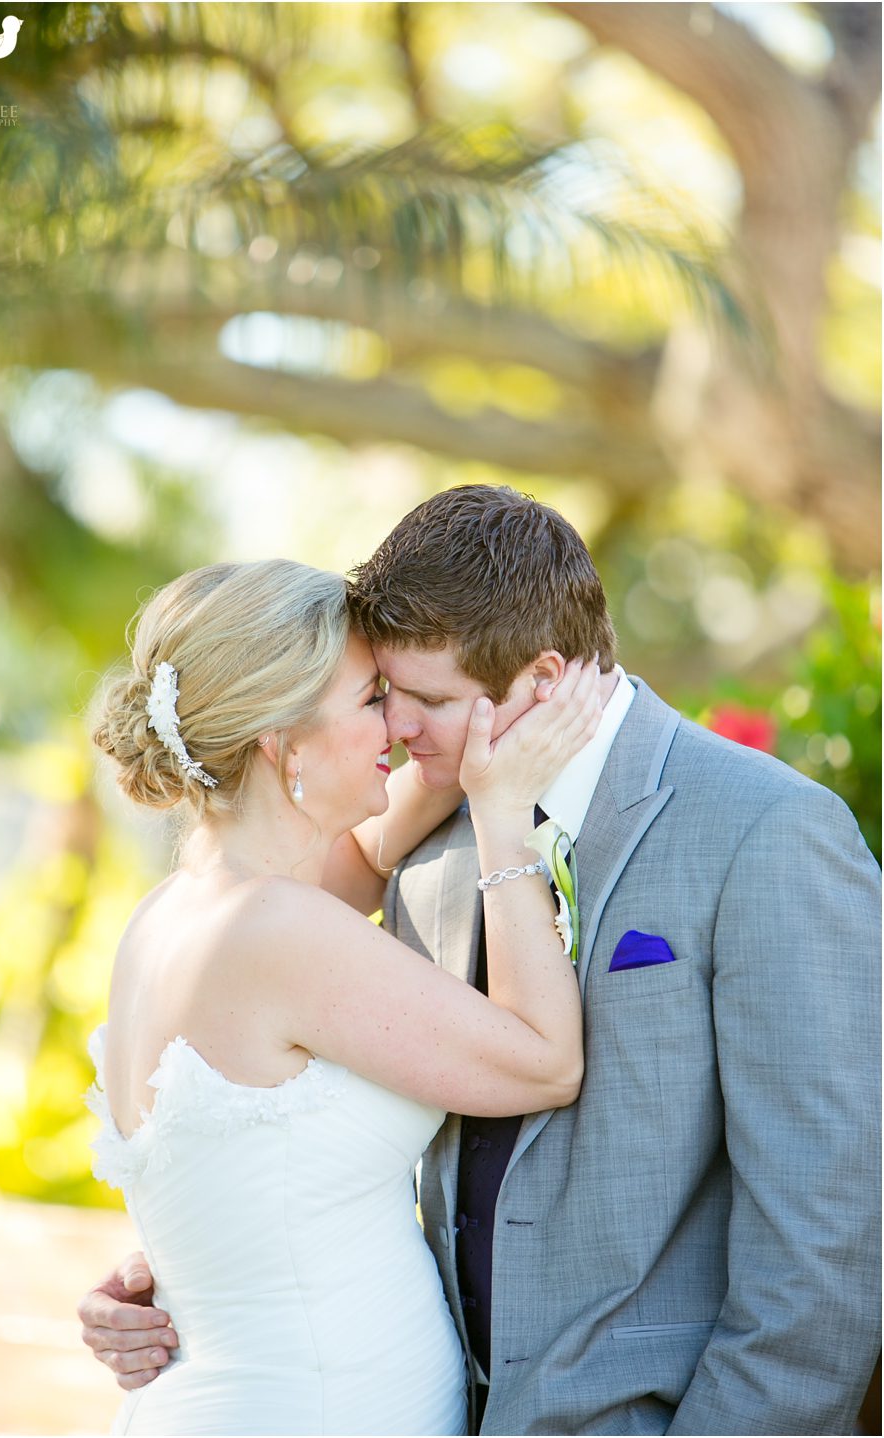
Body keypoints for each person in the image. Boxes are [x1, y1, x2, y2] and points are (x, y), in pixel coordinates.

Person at [81, 489, 881, 1437]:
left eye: (419, 701)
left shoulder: (767, 833)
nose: (398, 735)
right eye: (377, 697)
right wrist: (192, 1263)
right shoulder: (430, 833)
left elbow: (826, 1239)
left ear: (542, 679)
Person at [83, 555, 601, 1436]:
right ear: (281, 745)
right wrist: (503, 814)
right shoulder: (274, 930)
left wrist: (483, 720)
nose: (396, 726)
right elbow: (545, 1062)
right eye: (371, 700)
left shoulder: (176, 912)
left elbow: (362, 859)